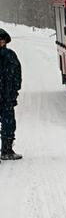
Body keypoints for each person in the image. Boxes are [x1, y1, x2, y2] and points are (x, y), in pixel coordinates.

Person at [0, 28, 22, 161]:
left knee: (9, 124)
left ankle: (7, 150)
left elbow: (17, 74)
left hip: (7, 96)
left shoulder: (10, 55)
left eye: (2, 40)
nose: (1, 42)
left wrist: (15, 90)